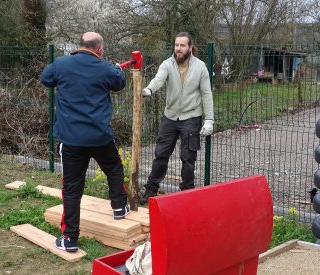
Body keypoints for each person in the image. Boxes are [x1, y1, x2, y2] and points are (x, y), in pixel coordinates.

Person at [40, 32, 129, 252]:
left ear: (80, 45)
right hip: (100, 137)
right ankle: (119, 207)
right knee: (115, 168)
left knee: (71, 188)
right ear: (99, 48)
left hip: (72, 140)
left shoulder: (61, 64)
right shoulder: (106, 67)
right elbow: (119, 83)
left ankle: (70, 238)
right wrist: (116, 69)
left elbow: (45, 78)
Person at [140, 32, 214, 205]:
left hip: (191, 117)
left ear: (190, 47)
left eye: (182, 45)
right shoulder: (167, 64)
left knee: (188, 158)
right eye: (176, 45)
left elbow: (206, 93)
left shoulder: (200, 67)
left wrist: (209, 119)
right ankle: (151, 190)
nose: (178, 49)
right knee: (161, 155)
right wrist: (149, 90)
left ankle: (187, 195)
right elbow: (159, 80)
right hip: (170, 116)